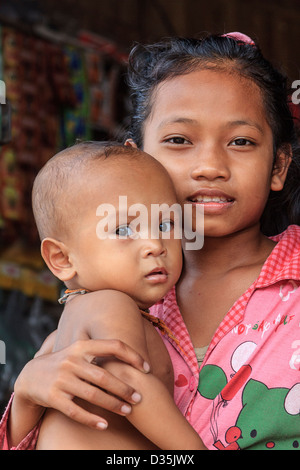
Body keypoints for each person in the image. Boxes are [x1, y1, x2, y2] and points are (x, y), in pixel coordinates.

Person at [1, 31, 300, 450]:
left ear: (279, 164)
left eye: (241, 142)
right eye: (179, 140)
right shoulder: (120, 291)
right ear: (136, 159)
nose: (210, 166)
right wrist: (27, 399)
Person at [15, 141, 205, 450]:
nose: (155, 244)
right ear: (62, 259)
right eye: (123, 231)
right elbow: (129, 384)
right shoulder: (110, 304)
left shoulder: (64, 331)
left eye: (165, 223)